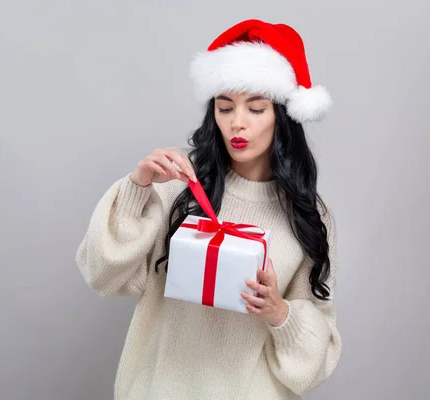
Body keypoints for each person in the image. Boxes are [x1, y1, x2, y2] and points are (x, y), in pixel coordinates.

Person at [75, 19, 341, 400]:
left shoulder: (309, 215)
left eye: (257, 108)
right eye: (225, 106)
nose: (238, 123)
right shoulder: (178, 180)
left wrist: (279, 313)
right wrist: (137, 187)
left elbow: (312, 365)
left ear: (281, 117)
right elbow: (103, 275)